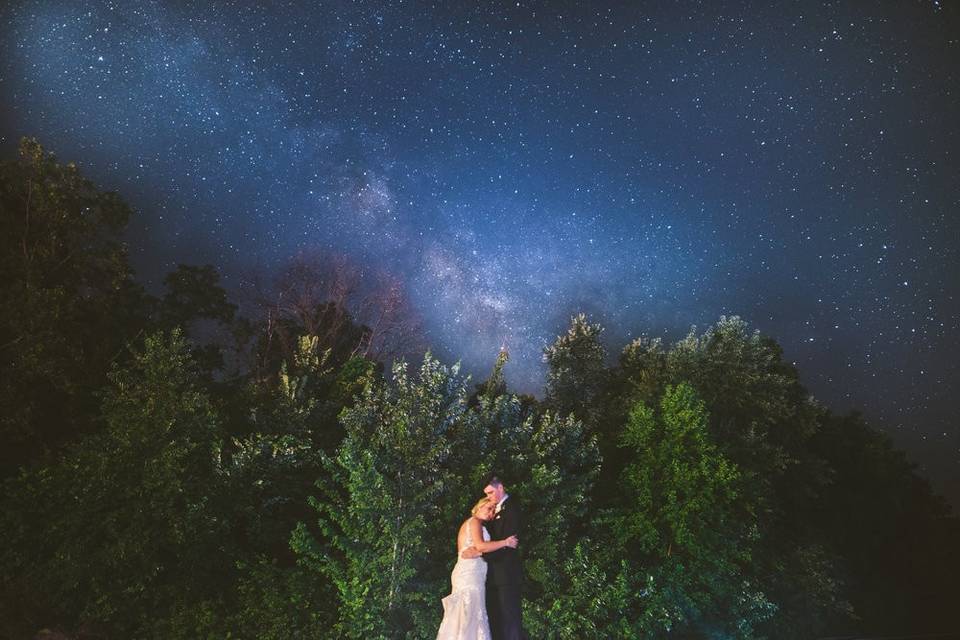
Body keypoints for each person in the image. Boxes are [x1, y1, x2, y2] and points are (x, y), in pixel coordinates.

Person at [436, 497, 518, 640]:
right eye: (488, 508)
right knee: (468, 614)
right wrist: (506, 542)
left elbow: (479, 549)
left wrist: (481, 551)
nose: (491, 512)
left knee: (471, 614)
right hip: (469, 574)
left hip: (473, 573)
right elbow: (481, 545)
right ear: (478, 507)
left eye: (493, 510)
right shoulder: (474, 522)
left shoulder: (477, 524)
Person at [482, 475, 526, 640]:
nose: (488, 497)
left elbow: (510, 543)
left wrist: (482, 553)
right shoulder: (495, 511)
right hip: (496, 574)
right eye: (486, 494)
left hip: (507, 573)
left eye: (490, 492)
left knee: (511, 619)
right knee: (500, 619)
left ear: (500, 488)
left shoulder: (512, 508)